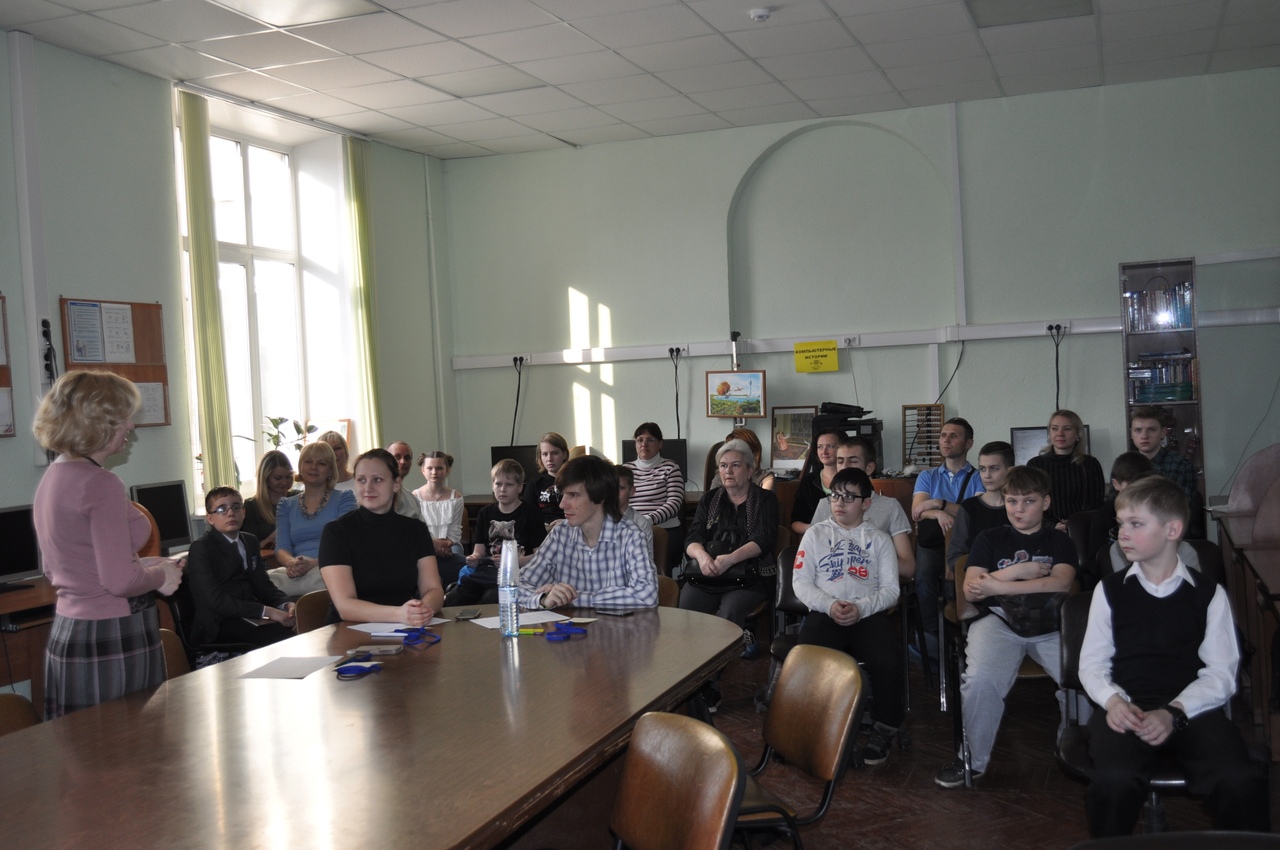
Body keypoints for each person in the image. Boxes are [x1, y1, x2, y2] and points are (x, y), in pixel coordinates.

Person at [1078, 476, 1268, 836]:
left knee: (1238, 780)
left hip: (1190, 709)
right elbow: (1092, 664)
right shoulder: (1110, 590)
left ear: (1172, 529)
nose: (1123, 534)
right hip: (1126, 705)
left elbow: (1221, 673)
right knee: (1113, 781)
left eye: (1136, 524)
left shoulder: (1208, 593)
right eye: (1121, 524)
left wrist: (1173, 713)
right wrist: (1113, 702)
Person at [31, 370, 185, 719]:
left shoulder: (54, 476)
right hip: (111, 633)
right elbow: (119, 582)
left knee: (82, 747)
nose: (130, 426)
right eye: (122, 418)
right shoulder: (101, 483)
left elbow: (61, 568)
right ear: (95, 423)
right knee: (129, 746)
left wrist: (142, 566)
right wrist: (161, 575)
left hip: (71, 633)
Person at [935, 465, 1078, 788]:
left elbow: (1060, 583)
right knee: (980, 681)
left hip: (1050, 624)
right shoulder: (990, 538)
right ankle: (972, 759)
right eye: (1012, 501)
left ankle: (1073, 746)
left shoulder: (1058, 540)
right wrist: (1018, 571)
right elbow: (971, 590)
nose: (1018, 509)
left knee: (1083, 680)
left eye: (1028, 501)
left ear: (1045, 502)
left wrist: (996, 585)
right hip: (998, 621)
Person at [794, 467, 904, 764]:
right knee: (809, 659)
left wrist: (861, 608)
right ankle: (811, 728)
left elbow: (891, 590)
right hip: (825, 611)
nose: (839, 503)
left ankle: (885, 728)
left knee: (888, 660)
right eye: (835, 496)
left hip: (867, 613)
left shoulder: (880, 539)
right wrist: (829, 605)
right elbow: (800, 582)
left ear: (866, 503)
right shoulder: (815, 535)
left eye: (849, 497)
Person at [681, 439, 778, 671]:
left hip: (751, 574)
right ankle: (691, 670)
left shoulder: (765, 499)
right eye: (723, 466)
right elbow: (692, 539)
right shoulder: (710, 499)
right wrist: (703, 557)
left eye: (735, 465)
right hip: (710, 572)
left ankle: (714, 675)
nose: (728, 471)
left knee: (728, 613)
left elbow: (764, 539)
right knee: (687, 607)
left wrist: (731, 559)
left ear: (750, 470)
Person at [318, 449, 444, 626]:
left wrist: (421, 610)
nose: (368, 488)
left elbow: (433, 589)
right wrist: (399, 614)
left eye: (377, 479)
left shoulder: (416, 530)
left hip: (403, 627)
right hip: (349, 630)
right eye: (361, 480)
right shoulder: (336, 532)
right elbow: (345, 606)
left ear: (396, 484)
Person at [518, 455, 657, 611]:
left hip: (615, 626)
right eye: (563, 495)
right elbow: (516, 585)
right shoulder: (560, 534)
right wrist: (544, 599)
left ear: (601, 496)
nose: (562, 504)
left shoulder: (630, 535)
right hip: (567, 625)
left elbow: (647, 595)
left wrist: (573, 597)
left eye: (573, 495)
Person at [912, 417, 985, 662]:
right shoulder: (927, 476)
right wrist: (938, 513)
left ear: (968, 443)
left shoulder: (979, 476)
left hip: (966, 544)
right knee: (923, 581)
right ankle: (932, 640)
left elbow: (976, 513)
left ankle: (966, 640)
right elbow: (917, 511)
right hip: (932, 542)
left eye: (954, 435)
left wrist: (938, 503)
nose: (946, 440)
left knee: (963, 585)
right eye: (943, 435)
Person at [187, 486, 295, 647]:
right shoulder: (201, 548)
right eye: (221, 509)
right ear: (210, 518)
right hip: (220, 622)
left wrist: (285, 604)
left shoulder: (250, 541)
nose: (231, 513)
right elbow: (215, 601)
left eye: (236, 507)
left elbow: (263, 585)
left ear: (244, 512)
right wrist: (267, 611)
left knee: (299, 621)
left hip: (249, 614)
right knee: (282, 634)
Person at [809, 435, 915, 578]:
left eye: (853, 461)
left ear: (869, 467)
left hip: (872, 585)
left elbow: (908, 567)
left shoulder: (890, 506)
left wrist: (862, 560)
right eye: (840, 461)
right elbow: (808, 558)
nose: (844, 467)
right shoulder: (825, 504)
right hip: (829, 583)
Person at [449, 458, 546, 606]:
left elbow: (540, 556)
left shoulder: (531, 513)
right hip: (487, 573)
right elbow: (479, 551)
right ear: (492, 486)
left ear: (520, 487)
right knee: (454, 599)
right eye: (498, 484)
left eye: (509, 484)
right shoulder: (485, 513)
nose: (502, 489)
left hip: (516, 575)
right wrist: (474, 558)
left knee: (490, 599)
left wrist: (511, 561)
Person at [271, 440, 356, 597]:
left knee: (332, 578)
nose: (313, 467)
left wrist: (312, 563)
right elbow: (282, 548)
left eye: (321, 463)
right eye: (308, 462)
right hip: (296, 570)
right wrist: (291, 563)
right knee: (262, 581)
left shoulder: (345, 498)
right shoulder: (286, 505)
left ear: (330, 470)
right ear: (300, 467)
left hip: (329, 567)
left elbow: (346, 545)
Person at [945, 441, 1015, 578]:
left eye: (994, 468)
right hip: (978, 580)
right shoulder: (969, 508)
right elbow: (954, 557)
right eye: (982, 469)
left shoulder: (1019, 508)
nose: (987, 475)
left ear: (1010, 470)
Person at [624, 422, 686, 576]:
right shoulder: (625, 470)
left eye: (650, 440)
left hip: (663, 529)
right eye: (640, 440)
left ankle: (659, 588)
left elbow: (674, 504)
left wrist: (647, 520)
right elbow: (616, 501)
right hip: (630, 528)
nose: (644, 444)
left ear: (660, 444)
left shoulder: (670, 468)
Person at [1027, 409, 1105, 529]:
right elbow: (1030, 502)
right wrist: (1052, 526)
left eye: (1067, 429)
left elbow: (1096, 504)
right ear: (1049, 433)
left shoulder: (1090, 464)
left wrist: (1073, 524)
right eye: (1055, 428)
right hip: (1044, 529)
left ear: (1078, 434)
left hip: (1081, 529)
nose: (1060, 433)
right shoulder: (1035, 465)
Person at [411, 450, 465, 586]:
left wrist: (447, 544)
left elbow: (455, 529)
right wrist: (433, 544)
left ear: (447, 470)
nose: (434, 472)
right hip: (425, 544)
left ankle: (452, 590)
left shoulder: (456, 497)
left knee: (458, 560)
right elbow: (417, 529)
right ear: (423, 471)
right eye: (430, 468)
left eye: (439, 468)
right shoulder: (415, 496)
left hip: (450, 545)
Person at [1128, 406, 1198, 504]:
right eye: (1138, 430)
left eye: (1151, 430)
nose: (1144, 436)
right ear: (1131, 433)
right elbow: (1114, 505)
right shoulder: (1125, 465)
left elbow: (1183, 507)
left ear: (1163, 432)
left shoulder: (1181, 465)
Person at [789, 427, 843, 536]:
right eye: (820, 447)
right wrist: (816, 528)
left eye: (830, 446)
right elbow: (796, 522)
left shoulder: (853, 480)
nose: (824, 451)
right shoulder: (809, 481)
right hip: (816, 537)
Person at [242, 450, 295, 553]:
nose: (284, 482)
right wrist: (274, 536)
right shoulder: (252, 507)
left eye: (288, 477)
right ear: (265, 478)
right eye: (278, 478)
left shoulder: (297, 498)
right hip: (268, 559)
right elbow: (250, 549)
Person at [523, 431, 569, 527]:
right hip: (543, 528)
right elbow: (527, 515)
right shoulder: (534, 484)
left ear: (564, 454)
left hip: (570, 527)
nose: (549, 459)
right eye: (545, 454)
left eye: (555, 453)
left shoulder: (575, 481)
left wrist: (565, 522)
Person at [616, 465, 654, 564]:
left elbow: (646, 564)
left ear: (631, 491)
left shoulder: (641, 524)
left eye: (621, 488)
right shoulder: (595, 520)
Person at [385, 440, 424, 521]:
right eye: (397, 457)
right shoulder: (376, 494)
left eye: (407, 458)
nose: (403, 462)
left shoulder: (413, 499)